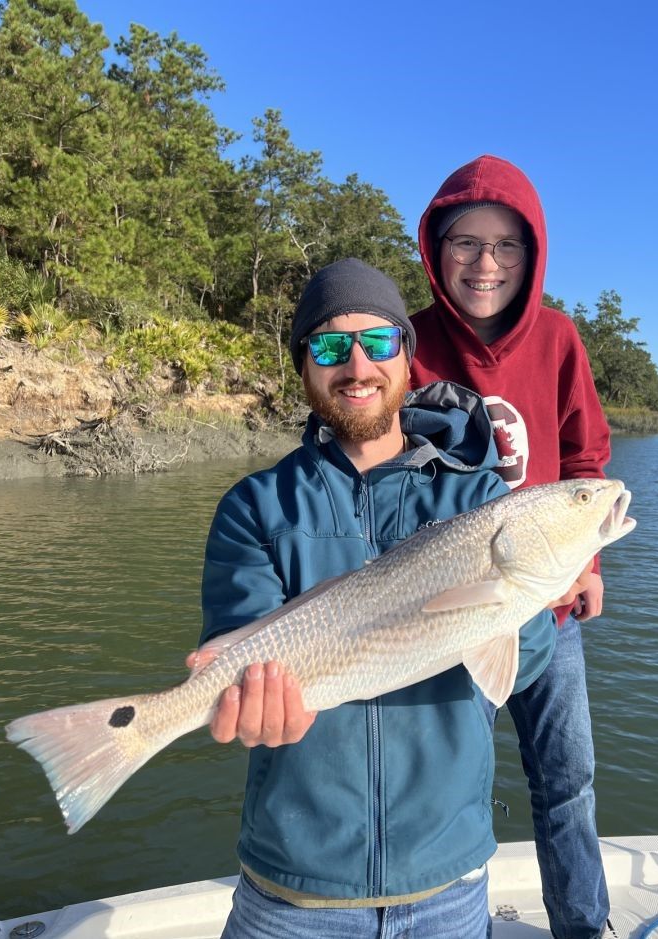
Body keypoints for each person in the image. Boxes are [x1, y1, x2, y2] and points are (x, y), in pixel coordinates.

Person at [195, 257, 583, 939]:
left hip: (447, 885)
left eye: (378, 342)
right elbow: (240, 646)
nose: (357, 365)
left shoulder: (479, 499)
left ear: (408, 357)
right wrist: (248, 705)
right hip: (293, 890)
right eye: (328, 345)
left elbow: (521, 666)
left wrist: (515, 594)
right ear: (304, 365)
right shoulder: (254, 507)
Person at [409, 155, 613, 939]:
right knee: (451, 783)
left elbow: (586, 457)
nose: (485, 263)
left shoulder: (560, 337)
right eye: (465, 241)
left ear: (533, 255)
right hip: (451, 610)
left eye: (507, 245)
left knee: (568, 781)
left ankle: (584, 926)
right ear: (436, 247)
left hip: (549, 610)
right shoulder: (410, 343)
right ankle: (459, 923)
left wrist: (588, 562)